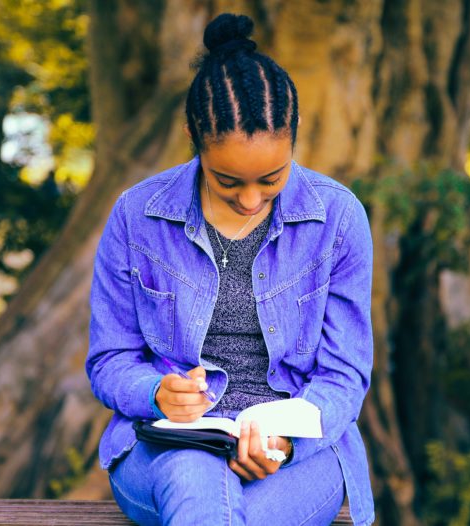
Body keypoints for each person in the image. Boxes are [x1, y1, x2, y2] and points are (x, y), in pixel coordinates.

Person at [86, 12, 374, 526]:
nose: (250, 199)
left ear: (295, 134)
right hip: (165, 450)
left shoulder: (338, 217)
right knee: (196, 480)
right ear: (194, 135)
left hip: (297, 455)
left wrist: (284, 438)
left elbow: (344, 372)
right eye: (227, 181)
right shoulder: (137, 216)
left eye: (271, 178)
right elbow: (110, 360)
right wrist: (156, 392)